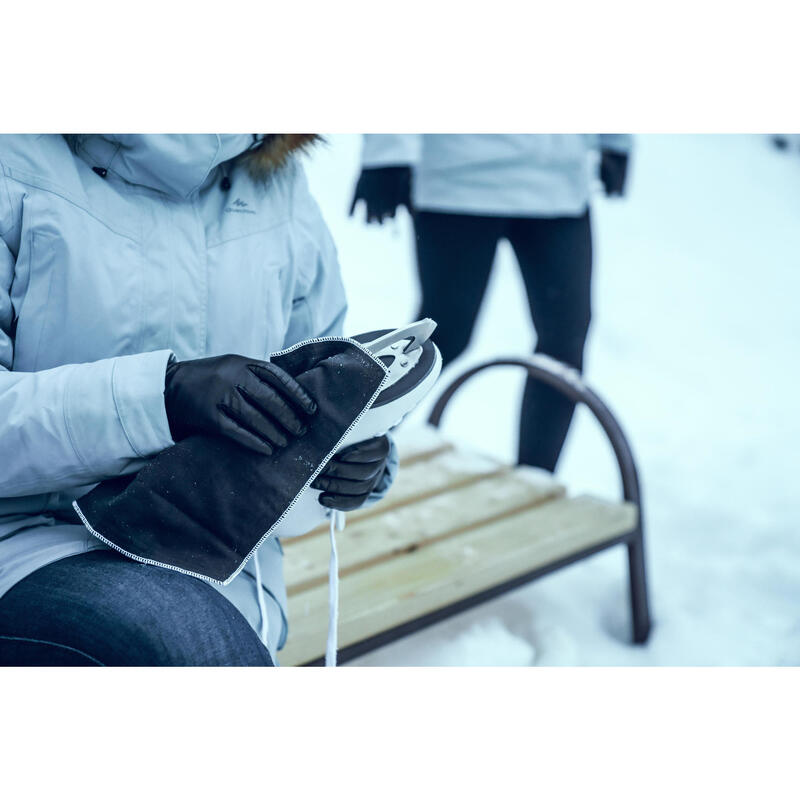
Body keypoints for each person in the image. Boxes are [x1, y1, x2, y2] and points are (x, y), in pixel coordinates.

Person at [0, 134, 396, 666]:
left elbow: (322, 363)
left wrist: (348, 451)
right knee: (180, 638)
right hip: (27, 542)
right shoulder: (16, 159)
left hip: (221, 559)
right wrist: (160, 397)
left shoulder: (277, 182)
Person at [350, 134, 631, 473]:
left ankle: (535, 483)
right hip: (460, 179)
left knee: (565, 342)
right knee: (445, 335)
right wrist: (386, 151)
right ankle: (338, 447)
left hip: (559, 182)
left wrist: (616, 140)